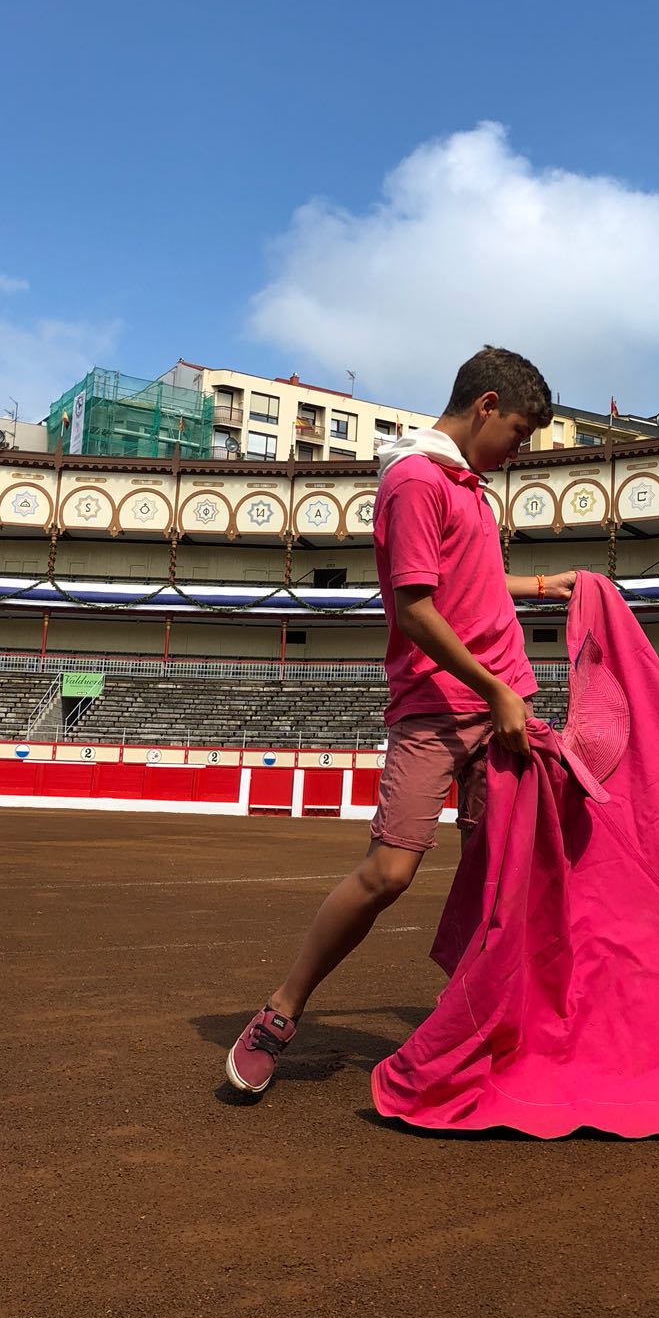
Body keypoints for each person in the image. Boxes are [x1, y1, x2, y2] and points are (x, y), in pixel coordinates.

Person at [225, 345, 577, 1095]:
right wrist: (496, 690)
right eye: (517, 433)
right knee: (389, 872)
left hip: (501, 698)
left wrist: (545, 585)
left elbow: (473, 578)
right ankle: (281, 1010)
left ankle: (477, 1023)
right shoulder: (415, 479)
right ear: (485, 406)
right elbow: (414, 608)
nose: (517, 452)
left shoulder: (467, 485)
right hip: (441, 706)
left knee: (498, 875)